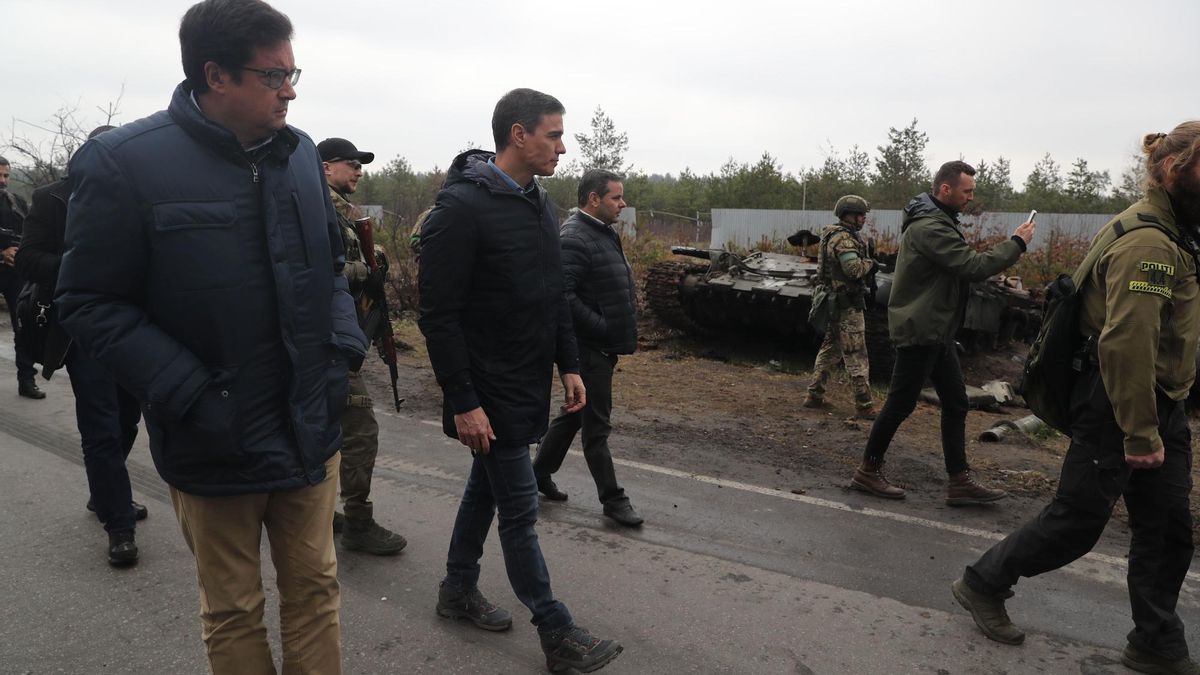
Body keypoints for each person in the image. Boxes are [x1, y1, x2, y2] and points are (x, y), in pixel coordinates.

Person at [56, 1, 367, 672]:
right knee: (233, 609)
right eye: (274, 74)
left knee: (315, 589)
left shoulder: (301, 152)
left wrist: (340, 354)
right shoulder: (124, 163)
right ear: (215, 75)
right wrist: (194, 393)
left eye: (294, 72)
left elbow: (332, 266)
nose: (290, 89)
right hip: (211, 435)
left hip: (309, 422)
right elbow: (87, 300)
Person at [953, 123, 1200, 675]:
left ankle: (1156, 641)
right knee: (1077, 521)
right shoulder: (1150, 244)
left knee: (1168, 530)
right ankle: (983, 582)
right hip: (1120, 402)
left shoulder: (1177, 232)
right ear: (1173, 170)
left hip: (1161, 401)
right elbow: (1127, 346)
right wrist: (1140, 433)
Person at [418, 88, 623, 673]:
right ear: (517, 134)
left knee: (485, 491)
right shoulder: (460, 210)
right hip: (486, 388)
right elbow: (439, 316)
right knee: (518, 509)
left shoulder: (536, 200)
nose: (562, 146)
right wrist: (463, 401)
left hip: (528, 378)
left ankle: (456, 590)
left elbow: (552, 293)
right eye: (553, 135)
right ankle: (556, 631)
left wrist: (571, 364)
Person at [850, 161, 1034, 502]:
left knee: (956, 401)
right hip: (922, 328)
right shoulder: (930, 227)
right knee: (900, 403)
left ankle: (959, 481)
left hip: (937, 329)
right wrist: (1017, 244)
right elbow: (972, 266)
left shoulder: (940, 221)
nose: (970, 198)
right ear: (945, 189)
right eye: (967, 191)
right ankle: (868, 470)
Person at [15, 125, 148, 567]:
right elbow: (31, 257)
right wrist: (86, 266)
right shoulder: (52, 198)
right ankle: (119, 525)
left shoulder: (137, 194)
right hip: (81, 328)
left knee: (129, 419)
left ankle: (104, 493)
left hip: (133, 328)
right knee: (102, 427)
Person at [533, 169, 644, 528]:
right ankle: (614, 500)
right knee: (596, 427)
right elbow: (562, 297)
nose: (623, 204)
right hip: (587, 349)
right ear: (594, 199)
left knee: (575, 415)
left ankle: (537, 474)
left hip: (599, 346)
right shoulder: (574, 237)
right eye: (616, 197)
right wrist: (602, 327)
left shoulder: (601, 233)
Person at [317, 136, 407, 556]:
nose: (358, 171)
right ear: (325, 167)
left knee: (327, 425)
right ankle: (358, 521)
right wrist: (364, 272)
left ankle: (315, 510)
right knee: (360, 430)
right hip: (328, 337)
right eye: (350, 164)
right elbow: (321, 266)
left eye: (360, 165)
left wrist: (376, 263)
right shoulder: (319, 208)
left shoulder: (338, 209)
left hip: (339, 333)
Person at [802, 194, 877, 419]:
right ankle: (864, 405)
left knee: (829, 349)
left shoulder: (831, 234)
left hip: (835, 304)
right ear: (849, 215)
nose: (864, 219)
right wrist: (870, 263)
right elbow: (853, 270)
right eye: (860, 215)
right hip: (847, 306)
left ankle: (814, 395)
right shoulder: (844, 240)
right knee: (856, 354)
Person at [0, 156, 43, 400]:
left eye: (6, 175)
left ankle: (27, 380)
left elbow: (30, 234)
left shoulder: (15, 202)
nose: (2, 180)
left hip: (15, 273)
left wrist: (21, 253)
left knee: (23, 327)